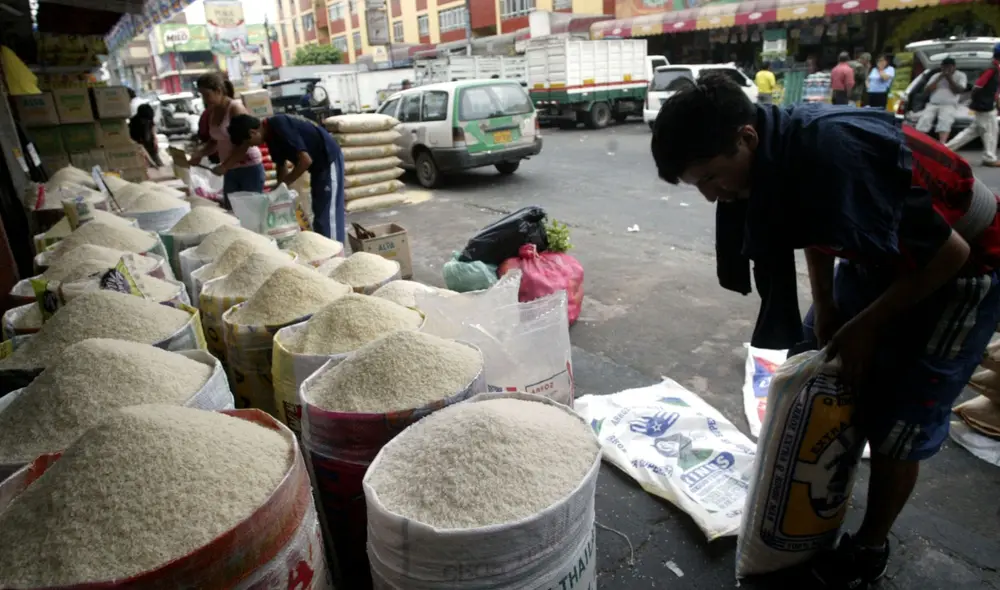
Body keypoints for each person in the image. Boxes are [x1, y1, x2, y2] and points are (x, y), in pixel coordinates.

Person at [650, 73, 1000, 590]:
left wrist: (864, 328)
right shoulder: (775, 159)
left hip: (964, 267)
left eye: (710, 177)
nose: (710, 196)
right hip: (877, 251)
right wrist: (828, 303)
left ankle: (869, 548)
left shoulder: (834, 156)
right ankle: (810, 503)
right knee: (816, 362)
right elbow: (811, 226)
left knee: (898, 424)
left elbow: (950, 254)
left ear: (746, 138)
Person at [228, 113, 346, 242]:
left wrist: (285, 183)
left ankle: (335, 254)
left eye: (249, 143)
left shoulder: (279, 125)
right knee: (319, 211)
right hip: (318, 168)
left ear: (253, 132)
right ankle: (326, 247)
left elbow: (306, 161)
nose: (252, 146)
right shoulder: (270, 135)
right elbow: (281, 165)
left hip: (327, 159)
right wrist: (278, 191)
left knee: (328, 214)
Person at [189, 73, 265, 207]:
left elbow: (245, 143)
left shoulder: (235, 108)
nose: (205, 100)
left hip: (249, 168)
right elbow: (214, 142)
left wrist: (225, 166)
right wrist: (199, 154)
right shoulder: (213, 112)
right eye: (201, 95)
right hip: (231, 169)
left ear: (218, 91)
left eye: (206, 95)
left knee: (251, 210)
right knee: (231, 210)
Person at [946, 43, 1000, 167]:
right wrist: (978, 101)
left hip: (984, 105)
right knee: (991, 130)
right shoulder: (992, 69)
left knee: (971, 132)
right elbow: (978, 86)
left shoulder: (995, 68)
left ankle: (946, 149)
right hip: (985, 106)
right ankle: (990, 158)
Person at [915, 57, 966, 143]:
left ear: (954, 67)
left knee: (945, 122)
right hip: (933, 104)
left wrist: (949, 78)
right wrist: (939, 78)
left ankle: (942, 143)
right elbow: (927, 90)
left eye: (949, 67)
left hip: (949, 105)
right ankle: (919, 142)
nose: (946, 69)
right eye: (944, 67)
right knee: (924, 120)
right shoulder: (936, 76)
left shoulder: (961, 75)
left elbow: (958, 90)